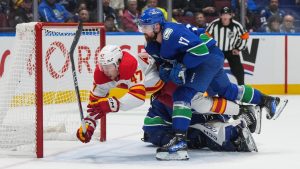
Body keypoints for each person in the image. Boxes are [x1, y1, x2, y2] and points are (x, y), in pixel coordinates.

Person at [138, 8, 288, 160]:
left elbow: (200, 50)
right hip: (212, 56)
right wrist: (166, 67)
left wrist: (182, 65)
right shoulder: (153, 44)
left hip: (206, 57)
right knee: (227, 89)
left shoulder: (171, 33)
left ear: (157, 26)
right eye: (142, 26)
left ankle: (179, 143)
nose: (143, 30)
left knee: (182, 95)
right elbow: (166, 59)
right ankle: (268, 101)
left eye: (146, 27)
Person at [206, 7, 248, 85]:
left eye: (227, 14)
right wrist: (210, 48)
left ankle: (242, 87)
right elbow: (205, 36)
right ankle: (210, 88)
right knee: (213, 69)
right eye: (223, 14)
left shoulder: (237, 25)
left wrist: (238, 48)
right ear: (220, 16)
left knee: (238, 70)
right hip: (217, 51)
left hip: (231, 51)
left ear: (231, 16)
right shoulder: (214, 24)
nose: (225, 17)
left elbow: (245, 36)